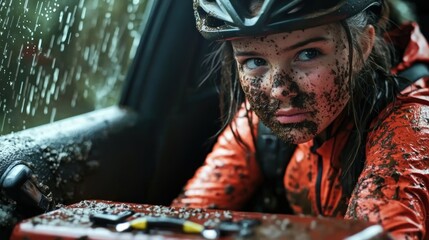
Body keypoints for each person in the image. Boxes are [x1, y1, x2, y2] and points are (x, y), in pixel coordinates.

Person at [172, 0, 429, 239]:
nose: (279, 90)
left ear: (362, 46)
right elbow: (182, 222)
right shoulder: (255, 122)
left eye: (308, 54)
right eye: (255, 61)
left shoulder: (412, 121)